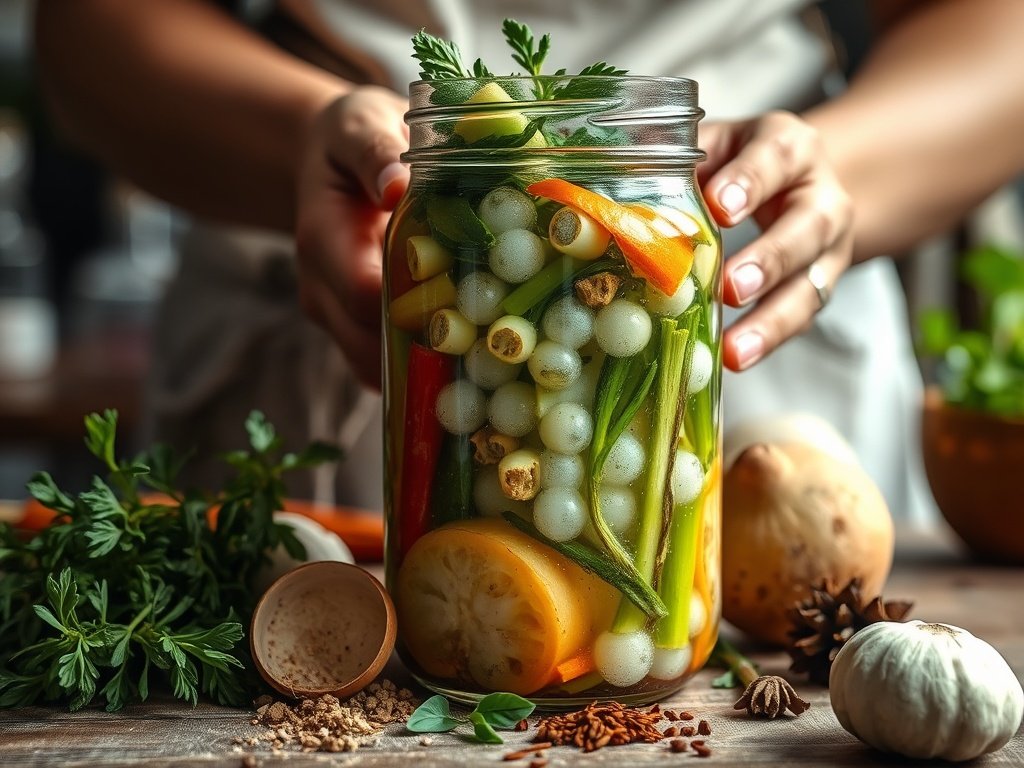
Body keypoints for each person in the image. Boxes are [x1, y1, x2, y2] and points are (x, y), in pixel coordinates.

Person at [34, 1, 1024, 520]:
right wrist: (299, 139)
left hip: (729, 291)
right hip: (339, 279)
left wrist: (826, 170)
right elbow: (82, 31)